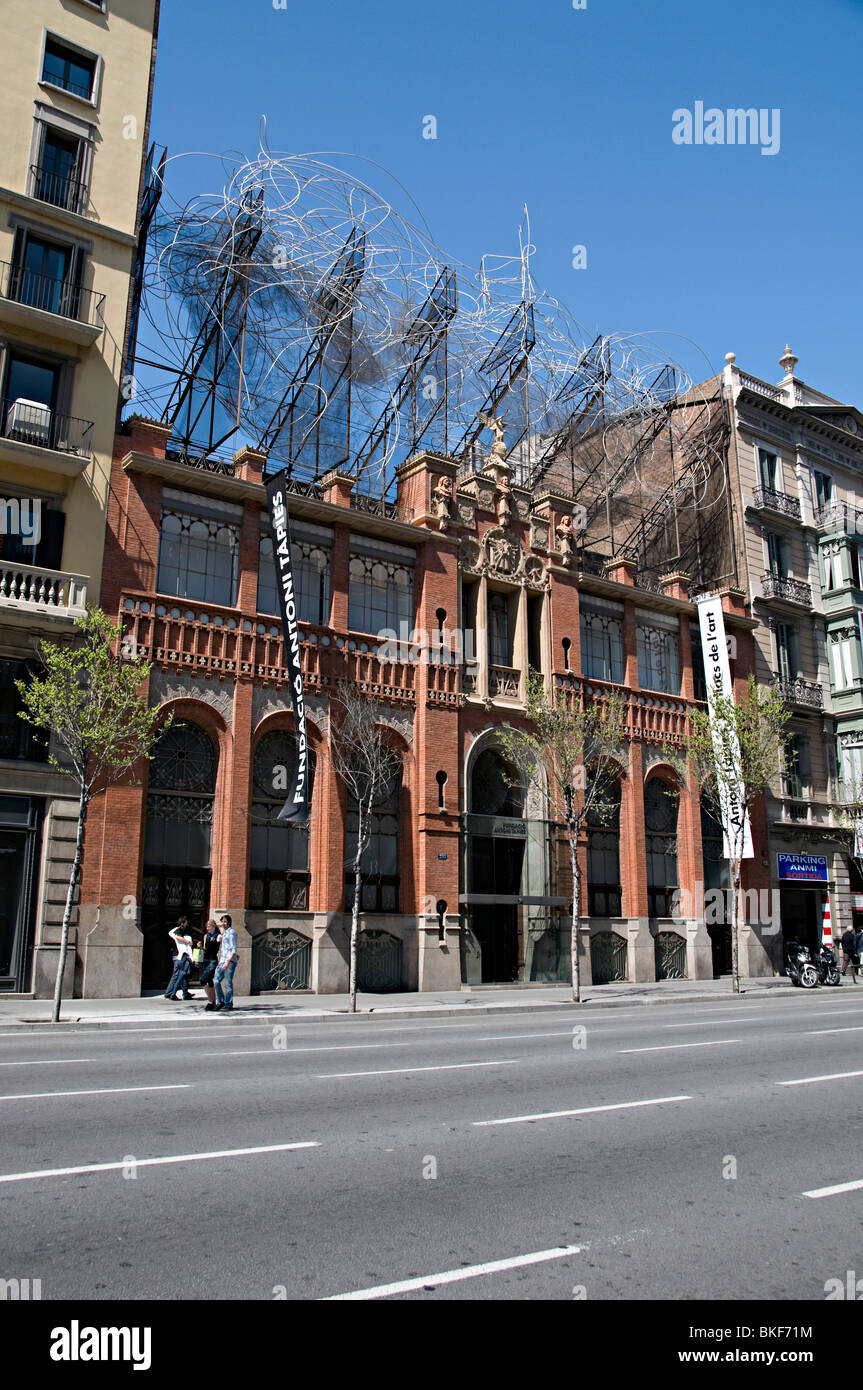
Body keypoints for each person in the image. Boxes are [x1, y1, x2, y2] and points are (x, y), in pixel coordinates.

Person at [163, 918, 196, 1000]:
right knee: (178, 974)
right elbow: (177, 936)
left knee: (183, 974)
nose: (187, 925)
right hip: (179, 955)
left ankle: (185, 992)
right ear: (182, 923)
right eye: (186, 923)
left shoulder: (180, 931)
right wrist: (187, 942)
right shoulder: (176, 931)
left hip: (181, 955)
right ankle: (170, 993)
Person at [213, 913, 238, 1012]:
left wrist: (228, 961)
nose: (223, 923)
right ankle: (221, 1001)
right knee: (216, 980)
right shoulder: (225, 933)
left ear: (229, 922)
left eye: (225, 922)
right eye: (222, 921)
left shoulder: (231, 933)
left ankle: (228, 1003)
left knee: (228, 983)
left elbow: (233, 949)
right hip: (222, 960)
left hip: (229, 961)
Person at [199, 918, 222, 1011]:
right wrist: (201, 947)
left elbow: (221, 947)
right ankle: (213, 1003)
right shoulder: (206, 936)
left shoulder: (218, 936)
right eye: (207, 927)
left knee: (202, 980)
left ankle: (210, 1001)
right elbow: (205, 949)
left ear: (213, 926)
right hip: (206, 960)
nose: (207, 928)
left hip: (213, 960)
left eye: (209, 926)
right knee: (209, 982)